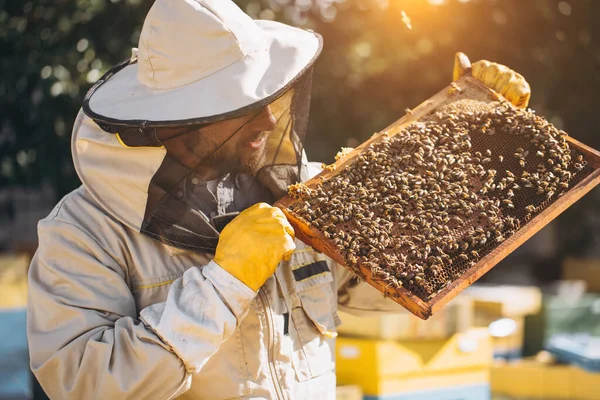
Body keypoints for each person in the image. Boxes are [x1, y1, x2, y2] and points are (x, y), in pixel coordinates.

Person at [26, 0, 531, 399]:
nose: (268, 121)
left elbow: (386, 289)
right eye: (243, 106)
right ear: (175, 121)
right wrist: (224, 286)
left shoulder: (296, 189)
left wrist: (474, 144)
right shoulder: (83, 233)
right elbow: (81, 384)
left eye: (268, 99)